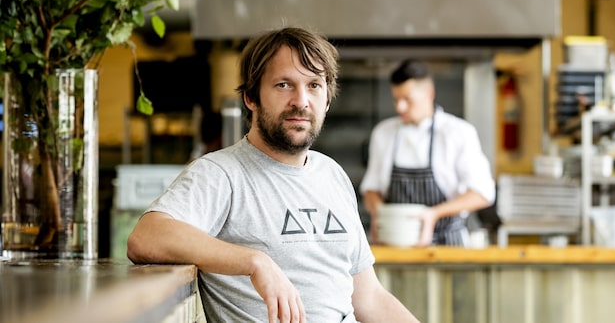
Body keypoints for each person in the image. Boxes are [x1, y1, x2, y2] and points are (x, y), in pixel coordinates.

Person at [127, 27, 419, 323]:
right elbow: (146, 237)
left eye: (314, 86)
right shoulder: (221, 173)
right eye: (283, 85)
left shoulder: (332, 175)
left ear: (327, 101)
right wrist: (254, 261)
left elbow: (369, 299)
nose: (301, 101)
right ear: (251, 98)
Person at [360, 59, 496, 247]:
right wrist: (380, 214)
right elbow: (371, 190)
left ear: (429, 93)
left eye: (407, 99)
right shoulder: (383, 133)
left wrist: (433, 215)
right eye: (396, 99)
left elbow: (482, 193)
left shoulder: (458, 132)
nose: (400, 107)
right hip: (395, 246)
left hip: (448, 246)